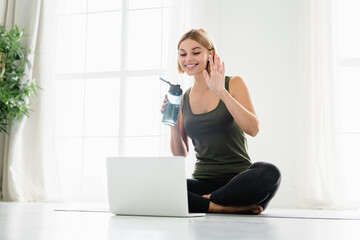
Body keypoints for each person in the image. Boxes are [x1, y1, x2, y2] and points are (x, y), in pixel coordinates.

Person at [161, 28, 281, 214]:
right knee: (164, 185)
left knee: (270, 172)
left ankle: (204, 203)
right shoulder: (184, 98)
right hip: (204, 181)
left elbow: (253, 129)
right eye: (182, 54)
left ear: (210, 53)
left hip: (240, 182)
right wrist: (173, 123)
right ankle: (224, 207)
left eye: (196, 52)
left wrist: (221, 93)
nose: (188, 59)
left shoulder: (233, 84)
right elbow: (179, 155)